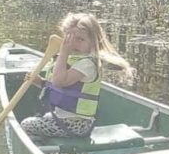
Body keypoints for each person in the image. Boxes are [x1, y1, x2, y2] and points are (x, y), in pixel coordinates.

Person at [22, 11, 133, 140]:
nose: (74, 44)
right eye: (69, 38)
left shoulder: (86, 64)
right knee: (46, 117)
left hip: (75, 125)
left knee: (26, 125)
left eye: (80, 39)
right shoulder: (74, 60)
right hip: (68, 121)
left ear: (93, 42)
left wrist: (63, 53)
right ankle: (57, 151)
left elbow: (59, 81)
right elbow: (61, 88)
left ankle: (53, 151)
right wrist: (40, 82)